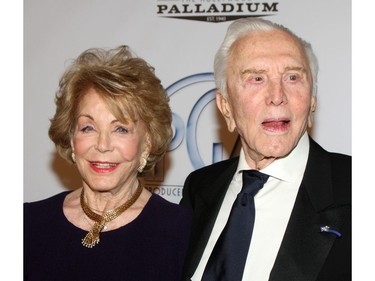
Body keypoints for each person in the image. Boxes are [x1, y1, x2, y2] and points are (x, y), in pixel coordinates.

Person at [180, 17, 351, 281]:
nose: (276, 95)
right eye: (256, 78)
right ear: (226, 107)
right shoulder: (199, 189)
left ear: (312, 101)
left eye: (292, 77)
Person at [24, 45, 192, 281]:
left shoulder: (180, 231)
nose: (103, 145)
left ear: (148, 142)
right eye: (88, 127)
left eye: (120, 129)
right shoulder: (28, 224)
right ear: (71, 137)